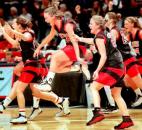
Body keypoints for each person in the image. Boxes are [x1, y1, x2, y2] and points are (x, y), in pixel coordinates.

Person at [0, 16, 70, 124]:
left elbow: (25, 37)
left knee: (19, 89)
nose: (13, 25)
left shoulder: (29, 33)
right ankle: (61, 100)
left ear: (19, 25)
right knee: (37, 93)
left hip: (33, 65)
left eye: (14, 24)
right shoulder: (21, 36)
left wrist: (11, 30)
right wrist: (4, 31)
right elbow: (14, 43)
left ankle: (21, 115)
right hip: (34, 65)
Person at [75, 15, 134, 129]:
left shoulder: (100, 37)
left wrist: (97, 70)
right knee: (116, 95)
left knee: (94, 87)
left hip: (113, 66)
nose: (89, 25)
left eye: (91, 23)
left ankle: (97, 112)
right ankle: (127, 119)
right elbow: (94, 41)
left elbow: (104, 56)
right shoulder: (104, 33)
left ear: (97, 25)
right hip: (120, 66)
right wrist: (80, 39)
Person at [34, 6, 92, 92]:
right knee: (56, 68)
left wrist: (78, 57)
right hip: (69, 47)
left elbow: (75, 42)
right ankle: (77, 68)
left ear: (53, 16)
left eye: (46, 18)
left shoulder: (67, 24)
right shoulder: (55, 25)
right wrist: (38, 48)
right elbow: (49, 37)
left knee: (54, 57)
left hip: (79, 47)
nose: (45, 20)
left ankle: (48, 84)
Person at [124, 16, 142, 107]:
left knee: (130, 77)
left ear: (132, 24)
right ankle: (139, 94)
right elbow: (122, 43)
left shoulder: (140, 33)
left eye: (126, 24)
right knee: (126, 78)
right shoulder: (130, 34)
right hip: (138, 60)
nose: (125, 25)